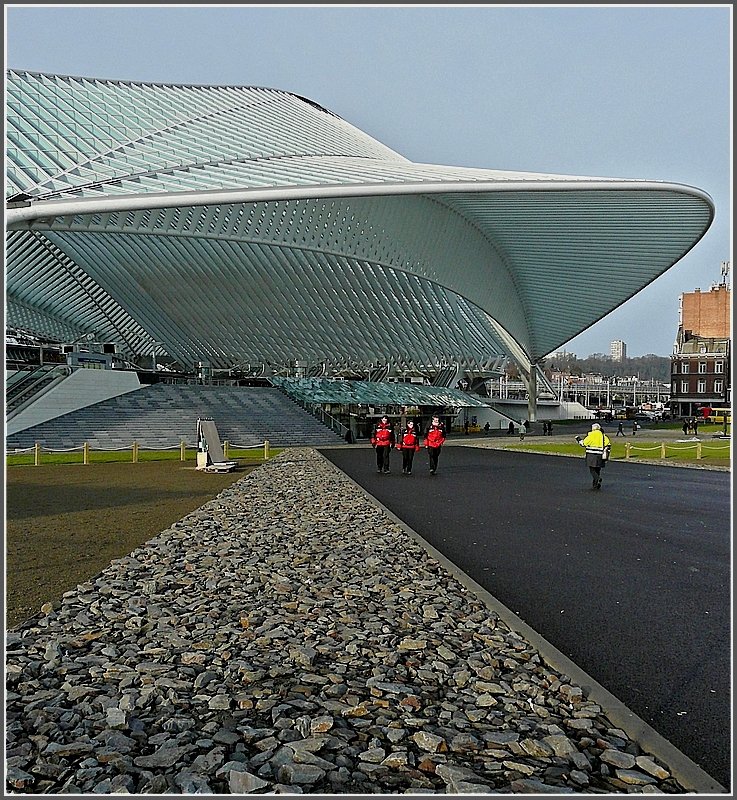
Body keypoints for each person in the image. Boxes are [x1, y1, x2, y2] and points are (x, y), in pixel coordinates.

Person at [575, 422, 612, 490]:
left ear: (593, 429)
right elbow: (608, 446)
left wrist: (578, 439)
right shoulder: (604, 436)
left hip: (591, 454)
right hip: (600, 455)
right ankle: (595, 485)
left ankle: (598, 479)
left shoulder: (591, 435)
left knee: (592, 469)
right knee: (598, 469)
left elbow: (583, 444)